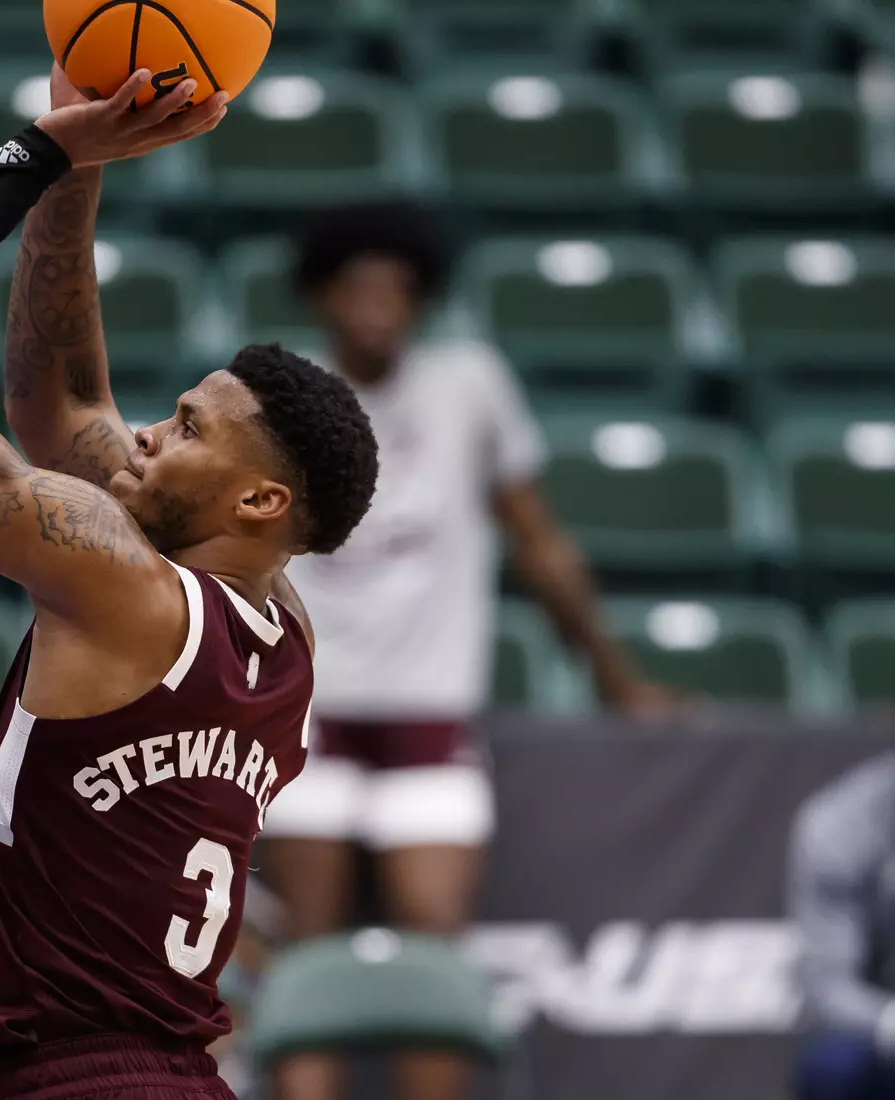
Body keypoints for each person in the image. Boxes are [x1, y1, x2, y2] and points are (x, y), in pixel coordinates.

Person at [0, 68, 378, 1100]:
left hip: (67, 1076)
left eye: (190, 427)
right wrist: (83, 162)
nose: (152, 430)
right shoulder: (280, 630)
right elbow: (63, 394)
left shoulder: (121, 583)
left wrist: (30, 156)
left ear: (255, 502)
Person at [259, 200, 669, 1100]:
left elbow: (540, 544)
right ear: (320, 294)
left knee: (433, 951)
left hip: (429, 715)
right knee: (307, 952)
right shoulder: (283, 394)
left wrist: (615, 676)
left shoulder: (468, 382)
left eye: (399, 288)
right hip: (304, 712)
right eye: (358, 286)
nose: (380, 305)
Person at [790, 753, 895, 1100]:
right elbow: (829, 982)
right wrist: (887, 1022)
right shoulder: (842, 823)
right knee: (834, 1068)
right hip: (883, 1025)